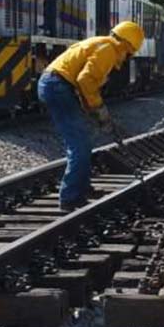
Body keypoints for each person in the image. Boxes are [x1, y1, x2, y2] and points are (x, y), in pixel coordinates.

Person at [38, 21, 146, 210]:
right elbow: (85, 80)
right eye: (129, 53)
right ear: (127, 45)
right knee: (79, 143)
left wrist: (93, 110)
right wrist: (99, 108)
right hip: (58, 86)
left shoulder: (102, 44)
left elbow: (84, 82)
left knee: (83, 140)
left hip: (57, 85)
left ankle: (82, 187)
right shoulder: (109, 49)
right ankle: (70, 197)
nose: (127, 58)